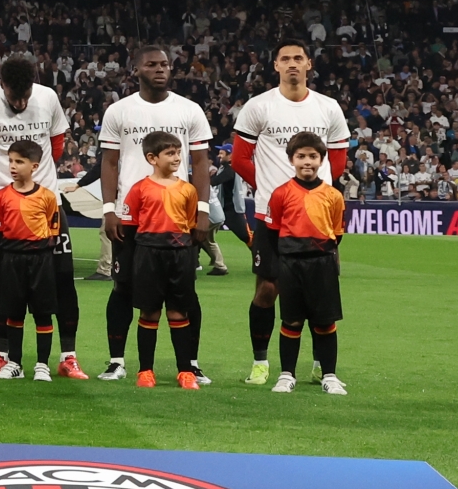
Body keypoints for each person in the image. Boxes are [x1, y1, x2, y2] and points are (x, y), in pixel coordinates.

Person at [230, 43, 351, 386]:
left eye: (298, 58)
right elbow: (240, 159)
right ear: (276, 65)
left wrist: (315, 193)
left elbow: (338, 161)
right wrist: (272, 189)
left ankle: (320, 365)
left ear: (309, 64)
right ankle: (260, 362)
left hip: (317, 216)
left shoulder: (328, 107)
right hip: (272, 215)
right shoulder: (259, 106)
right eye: (286, 59)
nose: (292, 64)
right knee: (267, 289)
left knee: (321, 288)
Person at [96, 46, 216, 382]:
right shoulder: (119, 111)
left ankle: (190, 363)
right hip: (132, 217)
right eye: (152, 64)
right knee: (122, 288)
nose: (160, 69)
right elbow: (109, 162)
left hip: (177, 217)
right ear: (137, 70)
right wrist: (109, 209)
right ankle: (117, 361)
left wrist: (203, 210)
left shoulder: (189, 109)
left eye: (164, 64)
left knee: (186, 294)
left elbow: (202, 162)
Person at [0, 53, 71, 341]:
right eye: (14, 97)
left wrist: (37, 179)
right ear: (2, 84)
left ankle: (68, 355)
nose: (21, 104)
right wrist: (0, 183)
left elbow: (57, 144)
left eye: (26, 96)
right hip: (1, 202)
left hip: (48, 202)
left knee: (63, 279)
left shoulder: (48, 98)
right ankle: (1, 354)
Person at [114, 130, 207, 388]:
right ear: (152, 158)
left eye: (178, 152)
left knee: (179, 312)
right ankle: (145, 371)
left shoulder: (188, 190)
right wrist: (130, 264)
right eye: (170, 153)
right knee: (150, 312)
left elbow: (190, 226)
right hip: (148, 254)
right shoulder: (139, 189)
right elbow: (130, 230)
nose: (177, 157)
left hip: (179, 255)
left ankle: (185, 371)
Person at [264, 130, 350, 395]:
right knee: (291, 321)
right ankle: (287, 374)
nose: (307, 162)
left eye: (313, 156)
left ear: (322, 159)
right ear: (292, 160)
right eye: (301, 156)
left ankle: (330, 375)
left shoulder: (333, 195)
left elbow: (336, 233)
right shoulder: (280, 194)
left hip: (322, 264)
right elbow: (272, 232)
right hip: (291, 265)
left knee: (325, 322)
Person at [0, 138, 75, 381]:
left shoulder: (47, 197)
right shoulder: (2, 196)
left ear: (34, 166)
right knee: (14, 314)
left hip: (40, 260)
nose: (13, 166)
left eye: (19, 162)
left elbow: (53, 231)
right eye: (11, 161)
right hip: (12, 260)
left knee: (43, 313)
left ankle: (42, 365)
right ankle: (14, 363)